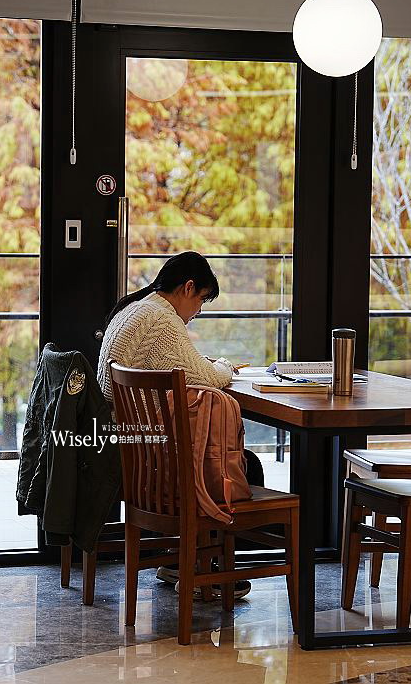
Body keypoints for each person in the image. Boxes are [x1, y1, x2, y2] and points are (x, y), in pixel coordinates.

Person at [96, 251, 263, 597]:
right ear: (188, 288)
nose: (198, 312)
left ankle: (180, 559)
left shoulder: (133, 308)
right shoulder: (163, 320)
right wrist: (226, 366)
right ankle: (208, 570)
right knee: (245, 465)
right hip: (152, 457)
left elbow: (179, 368)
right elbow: (207, 377)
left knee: (212, 453)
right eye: (201, 300)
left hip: (131, 448)